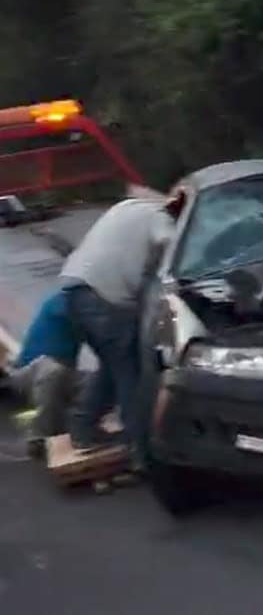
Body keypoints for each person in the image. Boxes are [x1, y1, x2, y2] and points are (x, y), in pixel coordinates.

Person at [61, 190, 185, 451]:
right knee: (132, 372)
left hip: (74, 290)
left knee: (113, 365)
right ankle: (140, 449)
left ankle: (83, 429)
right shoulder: (159, 217)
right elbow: (172, 243)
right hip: (104, 299)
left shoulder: (126, 206)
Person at [6, 288, 81, 452]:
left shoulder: (75, 304)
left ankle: (72, 422)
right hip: (30, 376)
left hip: (57, 379)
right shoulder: (64, 304)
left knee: (94, 382)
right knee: (53, 370)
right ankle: (40, 435)